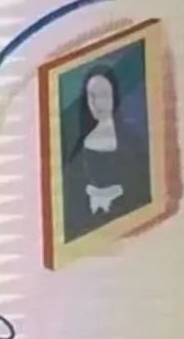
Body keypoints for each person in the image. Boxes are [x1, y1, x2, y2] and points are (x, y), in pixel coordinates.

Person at [60, 64, 151, 244]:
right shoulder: (78, 145)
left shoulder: (132, 141)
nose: (95, 103)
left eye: (102, 95)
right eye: (91, 96)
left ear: (114, 96)